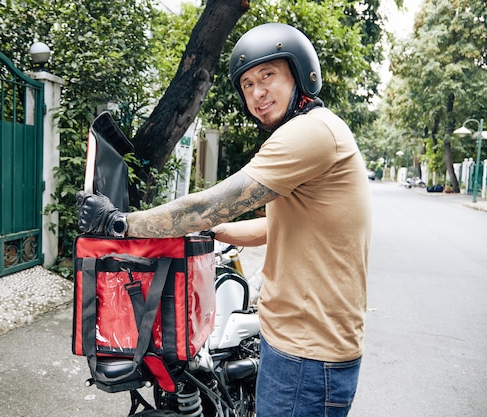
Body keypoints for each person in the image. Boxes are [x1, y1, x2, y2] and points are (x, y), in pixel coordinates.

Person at [77, 22, 372, 417]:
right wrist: (214, 232)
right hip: (301, 346)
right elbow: (279, 228)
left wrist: (120, 224)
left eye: (268, 76)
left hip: (307, 356)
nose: (257, 93)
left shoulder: (310, 132)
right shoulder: (316, 132)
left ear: (301, 75)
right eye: (247, 84)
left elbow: (211, 203)